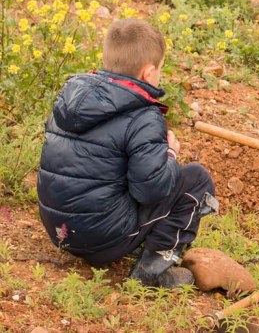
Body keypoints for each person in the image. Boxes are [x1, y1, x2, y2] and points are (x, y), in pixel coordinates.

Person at [37, 18, 218, 288]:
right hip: (102, 240)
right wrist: (169, 154)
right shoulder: (143, 116)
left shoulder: (70, 100)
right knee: (196, 179)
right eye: (159, 69)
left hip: (60, 232)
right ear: (148, 73)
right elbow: (151, 191)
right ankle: (152, 271)